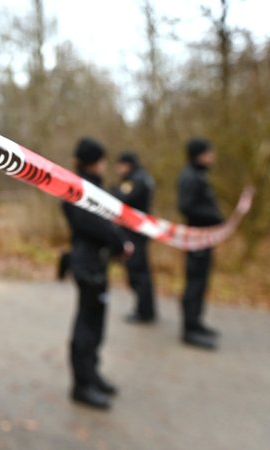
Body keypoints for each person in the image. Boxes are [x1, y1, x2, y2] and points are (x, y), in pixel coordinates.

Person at [62, 137, 133, 410]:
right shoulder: (77, 190)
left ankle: (92, 375)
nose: (105, 165)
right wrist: (120, 243)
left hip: (97, 264)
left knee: (96, 324)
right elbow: (94, 224)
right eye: (102, 160)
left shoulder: (92, 188)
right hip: (87, 266)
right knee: (87, 326)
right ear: (94, 161)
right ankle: (81, 385)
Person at [177, 138, 223, 350]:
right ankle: (189, 330)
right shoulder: (190, 177)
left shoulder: (200, 175)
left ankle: (197, 323)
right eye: (208, 152)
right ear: (199, 154)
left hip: (204, 239)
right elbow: (186, 207)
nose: (212, 157)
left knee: (202, 282)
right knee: (194, 283)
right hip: (195, 239)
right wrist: (214, 217)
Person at [112, 151, 157, 324]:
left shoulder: (135, 180)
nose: (118, 169)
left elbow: (123, 199)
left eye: (120, 165)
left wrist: (114, 191)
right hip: (139, 231)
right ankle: (145, 310)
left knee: (138, 273)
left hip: (134, 233)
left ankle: (144, 312)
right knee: (142, 272)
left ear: (128, 164)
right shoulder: (143, 177)